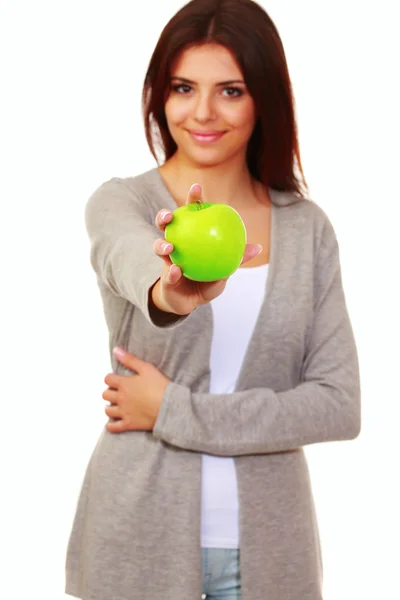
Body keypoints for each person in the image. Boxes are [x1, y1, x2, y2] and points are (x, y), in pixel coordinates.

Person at [65, 0, 361, 599]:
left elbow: (338, 405)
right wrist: (171, 292)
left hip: (273, 550)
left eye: (230, 90)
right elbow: (130, 259)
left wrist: (171, 409)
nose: (202, 112)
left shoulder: (308, 230)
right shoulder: (121, 203)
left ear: (265, 100)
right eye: (182, 87)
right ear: (159, 94)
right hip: (136, 538)